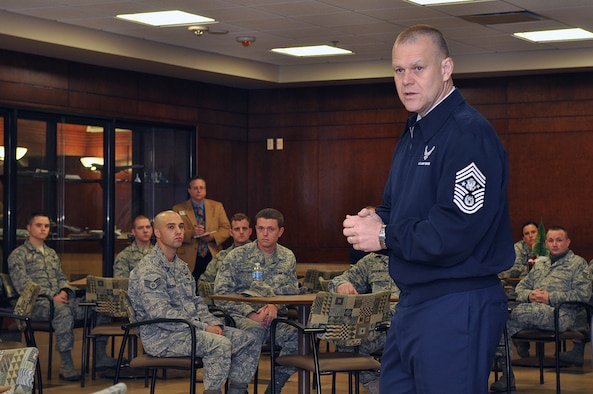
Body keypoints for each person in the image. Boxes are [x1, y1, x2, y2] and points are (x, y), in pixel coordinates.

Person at [342, 24, 514, 394]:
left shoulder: (468, 133)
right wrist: (375, 219)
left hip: (457, 302)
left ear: (446, 68)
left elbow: (456, 231)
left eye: (418, 68)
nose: (407, 80)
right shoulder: (414, 132)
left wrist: (384, 235)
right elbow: (396, 207)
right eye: (399, 70)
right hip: (413, 301)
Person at [128, 210, 260, 394]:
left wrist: (212, 322)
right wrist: (204, 327)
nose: (178, 231)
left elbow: (196, 302)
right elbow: (161, 314)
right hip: (163, 337)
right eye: (171, 227)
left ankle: (237, 390)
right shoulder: (149, 270)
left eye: (181, 226)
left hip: (190, 330)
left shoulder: (180, 266)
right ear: (157, 232)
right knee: (219, 344)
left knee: (249, 340)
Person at [8, 212, 118, 381]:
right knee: (62, 311)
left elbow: (60, 277)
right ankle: (66, 365)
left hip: (60, 300)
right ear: (29, 228)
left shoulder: (50, 253)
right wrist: (52, 296)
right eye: (39, 225)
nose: (43, 229)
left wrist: (64, 291)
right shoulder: (18, 255)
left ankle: (100, 355)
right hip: (35, 305)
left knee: (99, 304)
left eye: (46, 226)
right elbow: (23, 285)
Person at [490, 226, 592, 391]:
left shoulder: (578, 264)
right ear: (546, 243)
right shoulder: (540, 264)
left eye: (559, 240)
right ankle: (507, 376)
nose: (555, 244)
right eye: (551, 240)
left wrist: (550, 297)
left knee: (516, 312)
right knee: (500, 323)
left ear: (568, 242)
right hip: (532, 312)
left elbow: (583, 295)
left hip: (561, 315)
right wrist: (529, 295)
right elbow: (519, 289)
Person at [214, 208, 299, 394]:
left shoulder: (287, 257)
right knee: (253, 332)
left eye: (270, 229)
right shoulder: (237, 256)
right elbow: (220, 293)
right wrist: (250, 313)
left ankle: (275, 386)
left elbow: (291, 292)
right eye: (261, 228)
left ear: (280, 232)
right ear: (256, 229)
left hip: (273, 319)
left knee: (299, 337)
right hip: (240, 318)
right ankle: (238, 389)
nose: (265, 234)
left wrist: (275, 304)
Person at [328, 252, 400, 394]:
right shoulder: (372, 260)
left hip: (412, 325)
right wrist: (343, 284)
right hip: (381, 327)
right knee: (347, 345)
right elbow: (338, 280)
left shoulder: (417, 254)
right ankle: (377, 386)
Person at [173, 176, 230, 281]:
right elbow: (174, 232)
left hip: (211, 254)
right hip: (189, 257)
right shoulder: (178, 209)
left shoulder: (217, 206)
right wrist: (192, 233)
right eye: (195, 188)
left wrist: (213, 236)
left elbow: (226, 228)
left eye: (201, 188)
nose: (199, 191)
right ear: (189, 190)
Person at [498, 220, 538, 359]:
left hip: (541, 289)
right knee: (511, 305)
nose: (530, 236)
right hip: (519, 288)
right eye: (527, 234)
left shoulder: (548, 247)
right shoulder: (518, 248)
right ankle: (521, 341)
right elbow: (513, 269)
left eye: (533, 232)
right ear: (523, 238)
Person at [198, 212, 253, 285]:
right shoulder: (221, 257)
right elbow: (204, 282)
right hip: (224, 295)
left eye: (244, 228)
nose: (241, 232)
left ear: (250, 231)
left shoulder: (259, 254)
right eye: (237, 229)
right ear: (231, 232)